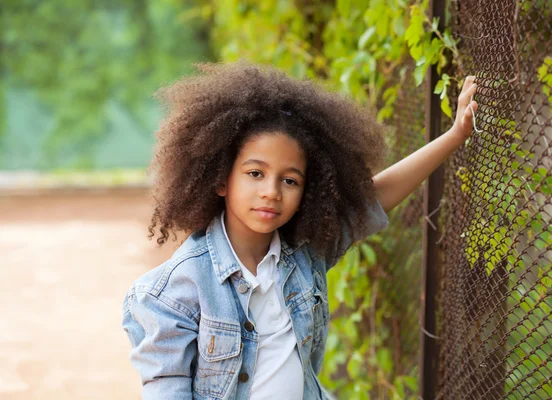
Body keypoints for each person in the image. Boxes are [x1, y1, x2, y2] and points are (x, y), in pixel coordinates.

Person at [122, 61, 478, 400]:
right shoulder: (173, 293)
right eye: (255, 173)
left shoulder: (306, 255)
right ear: (220, 179)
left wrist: (455, 134)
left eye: (289, 180)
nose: (271, 192)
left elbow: (376, 197)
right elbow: (166, 387)